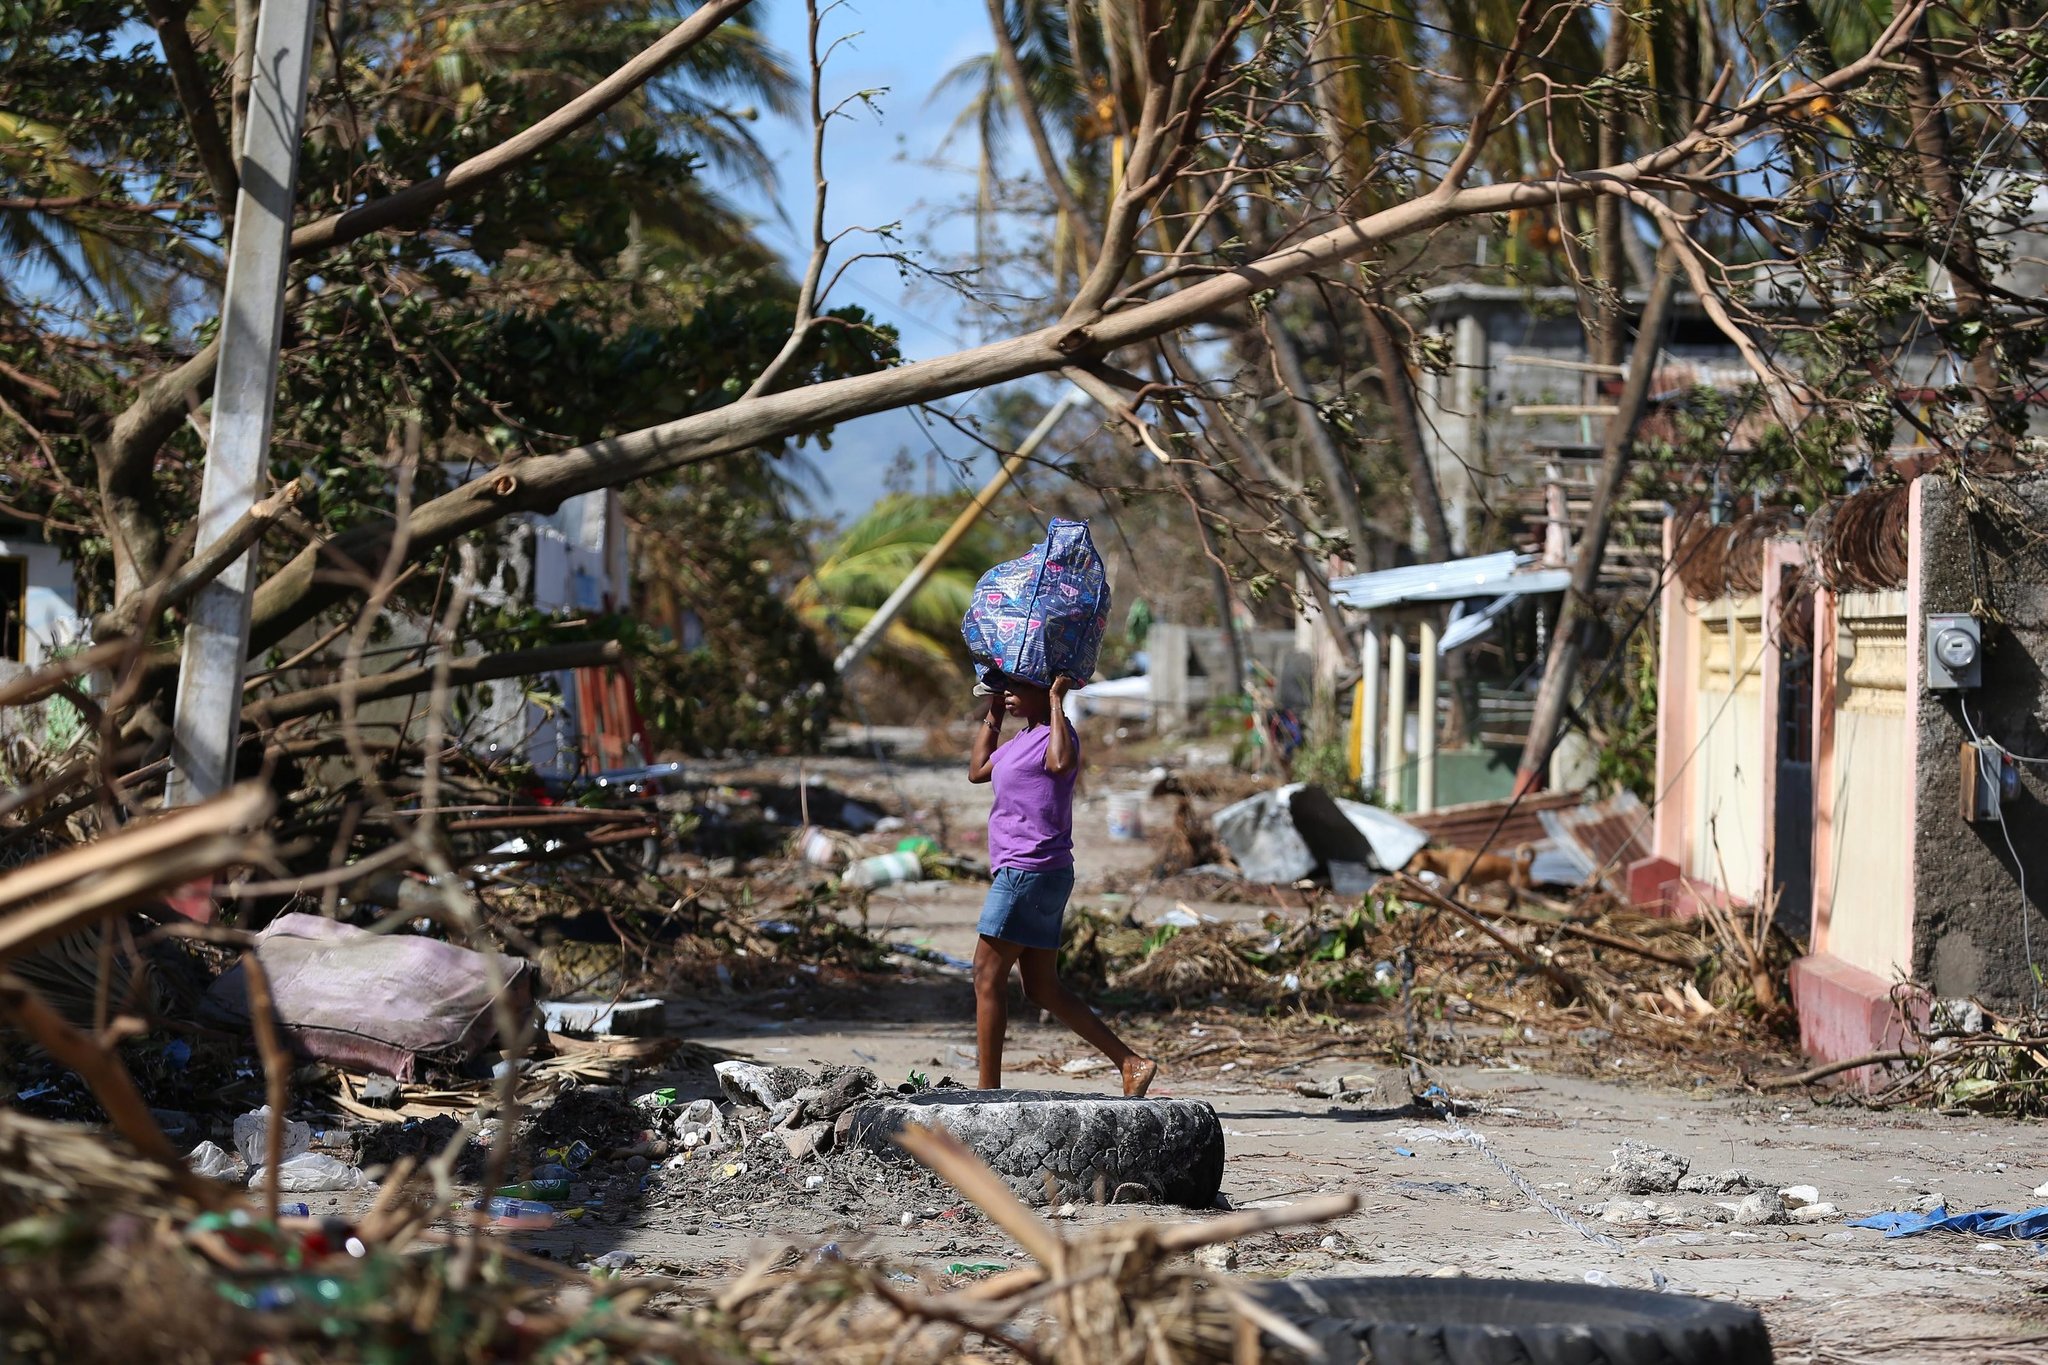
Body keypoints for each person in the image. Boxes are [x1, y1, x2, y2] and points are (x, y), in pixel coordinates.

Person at [968, 672, 1157, 1097]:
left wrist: (1058, 701)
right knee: (1041, 987)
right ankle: (1131, 1063)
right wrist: (994, 713)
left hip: (1029, 869)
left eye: (1016, 689)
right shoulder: (1020, 739)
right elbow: (977, 771)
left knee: (985, 975)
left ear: (1041, 690)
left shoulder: (1058, 732)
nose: (1009, 696)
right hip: (1035, 872)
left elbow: (1060, 764)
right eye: (1004, 691)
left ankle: (986, 1092)